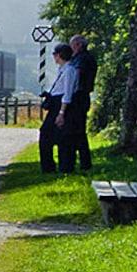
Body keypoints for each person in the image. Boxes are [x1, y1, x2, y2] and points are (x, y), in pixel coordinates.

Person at [38, 42, 78, 173]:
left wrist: (61, 113)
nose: (54, 57)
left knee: (53, 135)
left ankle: (59, 166)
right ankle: (51, 166)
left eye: (55, 54)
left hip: (61, 106)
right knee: (50, 135)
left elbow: (67, 93)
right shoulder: (62, 70)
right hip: (56, 104)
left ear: (60, 55)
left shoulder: (69, 71)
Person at [65, 34, 96, 172]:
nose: (70, 48)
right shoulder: (85, 58)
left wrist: (69, 93)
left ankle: (83, 163)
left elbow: (76, 78)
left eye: (72, 45)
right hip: (82, 97)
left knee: (77, 132)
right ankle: (81, 162)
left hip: (78, 98)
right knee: (78, 132)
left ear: (78, 45)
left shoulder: (81, 59)